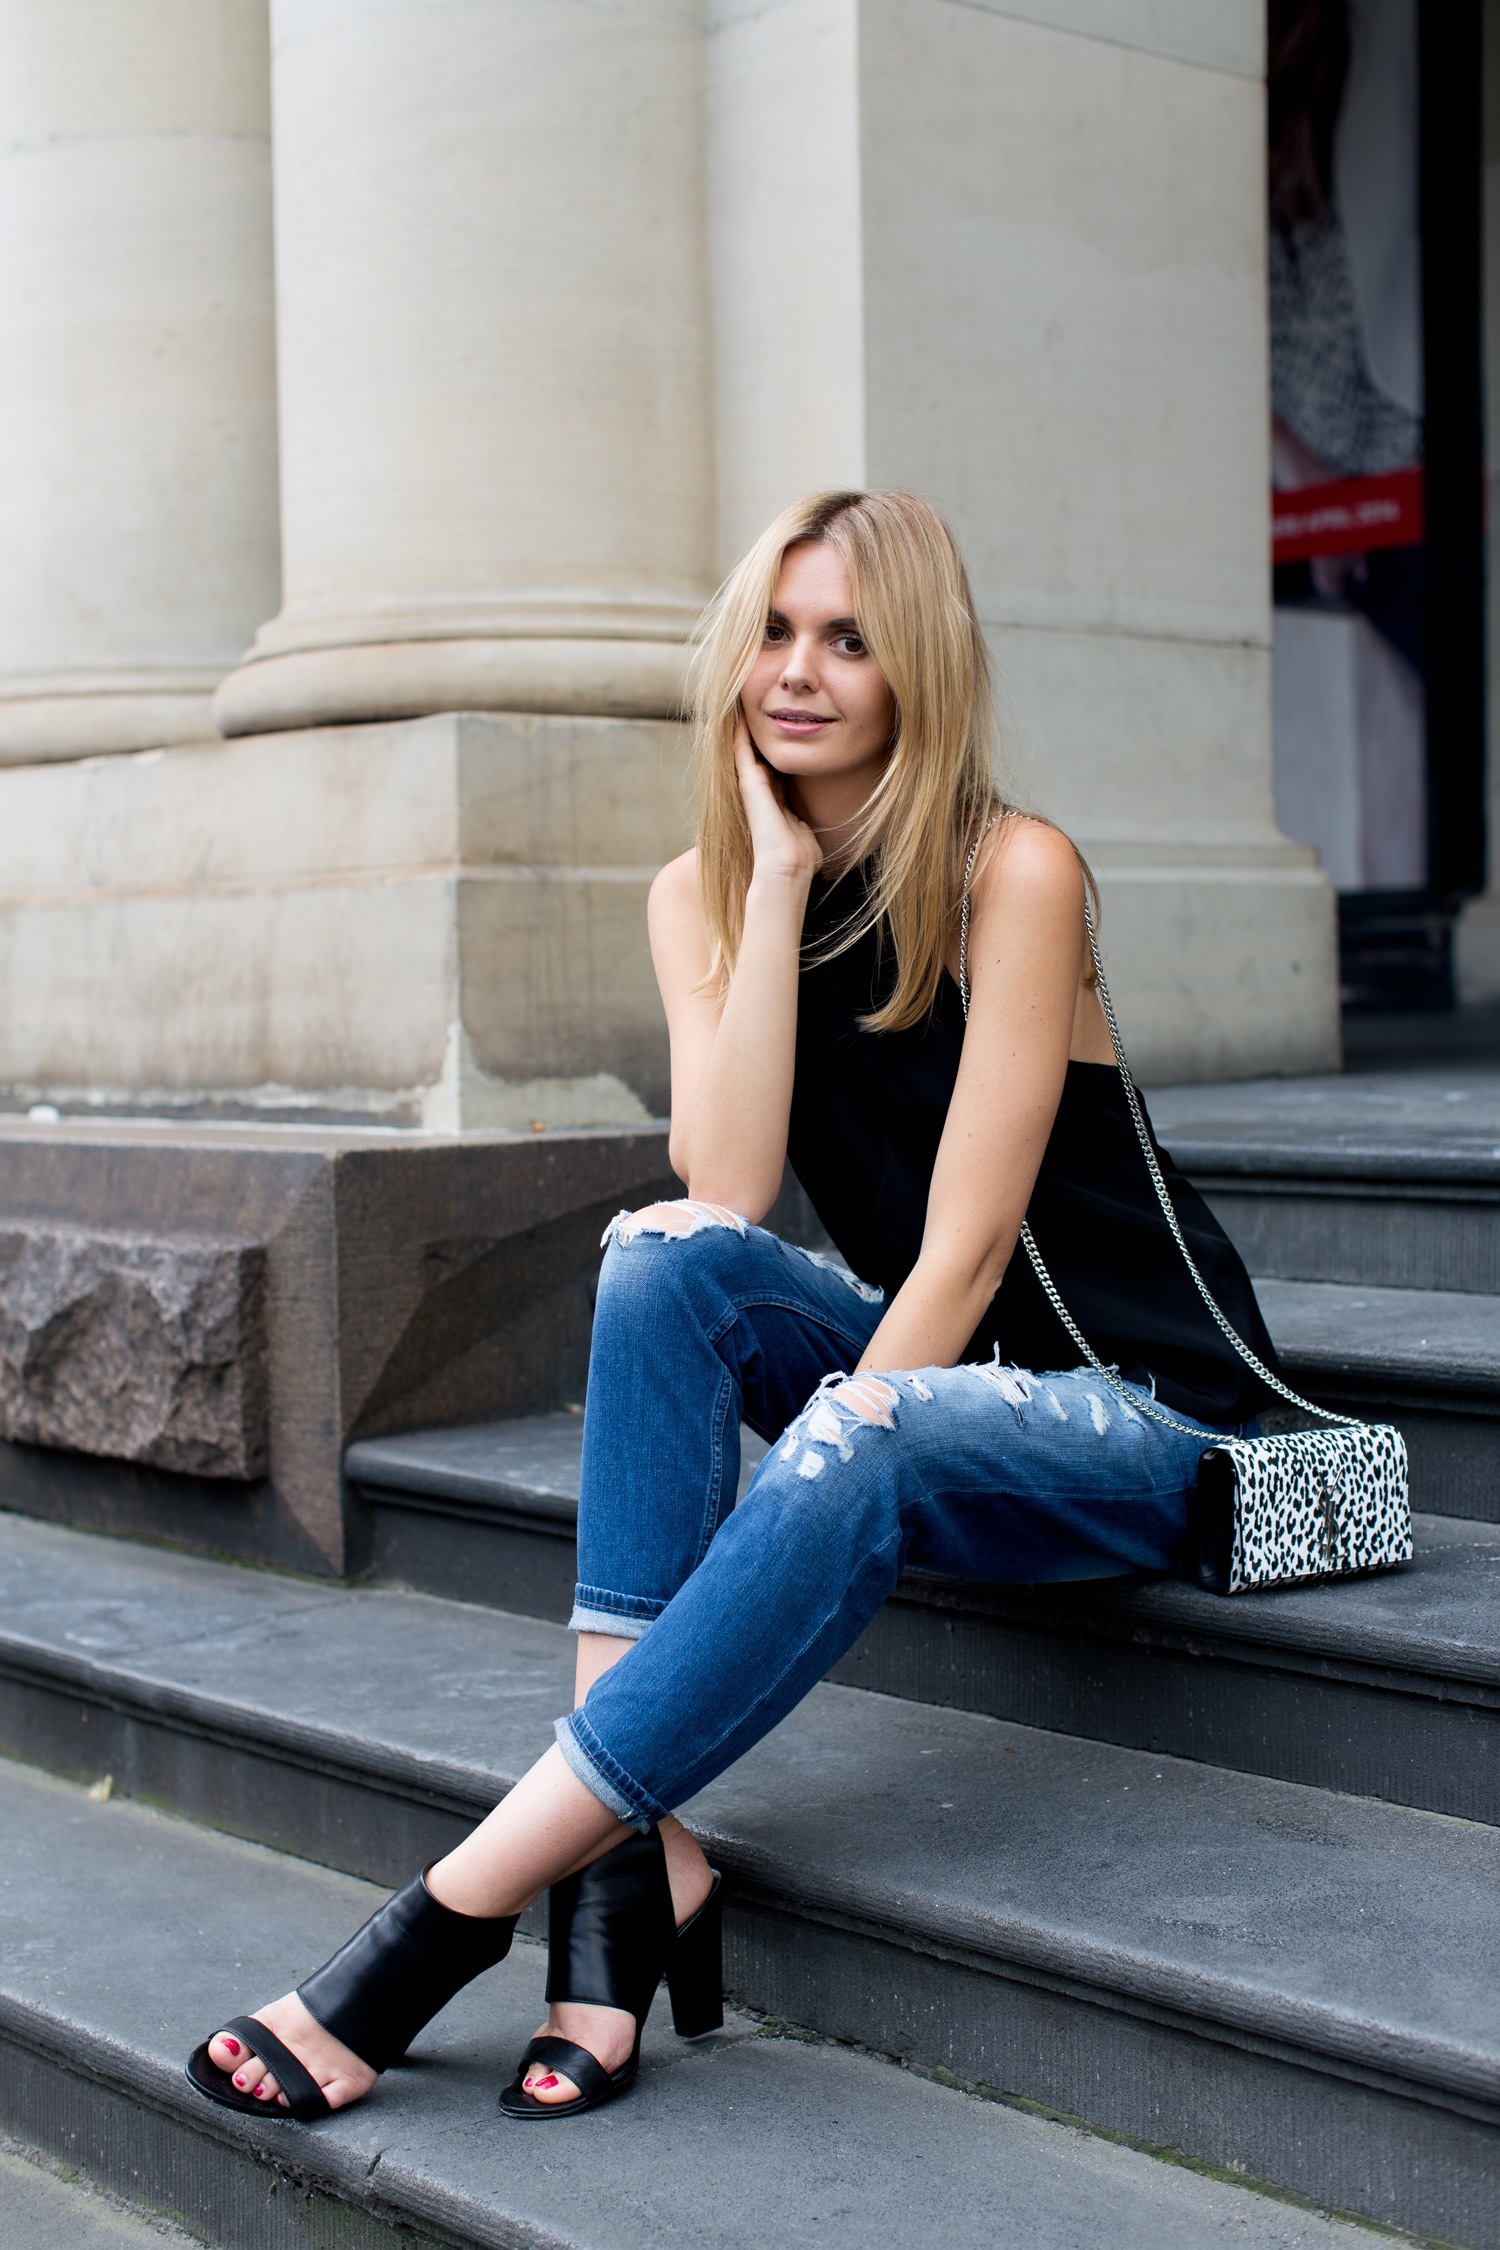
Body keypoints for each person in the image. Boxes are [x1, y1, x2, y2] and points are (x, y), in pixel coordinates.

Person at [185, 489, 1278, 2125]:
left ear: (918, 668)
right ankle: (636, 1853)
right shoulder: (700, 893)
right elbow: (732, 1181)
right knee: (662, 1256)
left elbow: (973, 1253)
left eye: (849, 639)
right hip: (941, 1381)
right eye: (772, 630)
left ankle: (449, 1917)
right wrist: (769, 887)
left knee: (862, 1429)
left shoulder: (1014, 871)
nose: (798, 670)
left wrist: (847, 1434)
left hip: (1141, 1401)